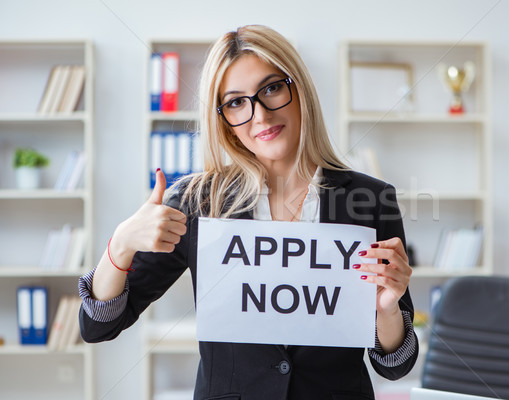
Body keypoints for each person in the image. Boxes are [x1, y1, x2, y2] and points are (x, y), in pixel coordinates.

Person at [79, 24, 418, 400]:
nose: (259, 115)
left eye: (272, 87)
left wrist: (386, 311)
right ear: (223, 120)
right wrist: (121, 245)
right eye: (236, 102)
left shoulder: (370, 199)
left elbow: (394, 364)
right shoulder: (199, 202)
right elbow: (98, 326)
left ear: (298, 88)